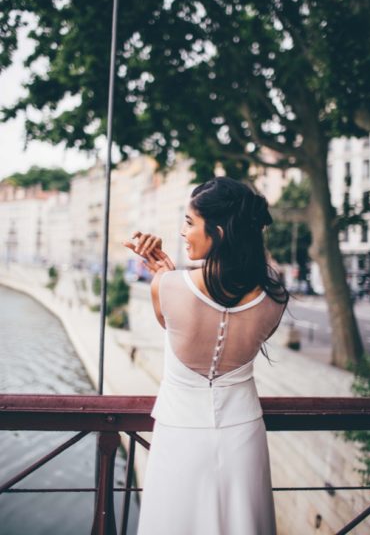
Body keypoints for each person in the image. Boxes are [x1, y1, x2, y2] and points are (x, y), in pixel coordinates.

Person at [124, 177, 289, 535]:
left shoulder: (164, 288)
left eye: (188, 222)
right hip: (243, 438)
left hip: (179, 438)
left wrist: (165, 276)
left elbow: (176, 316)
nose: (182, 232)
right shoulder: (275, 300)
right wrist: (169, 276)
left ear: (218, 231)